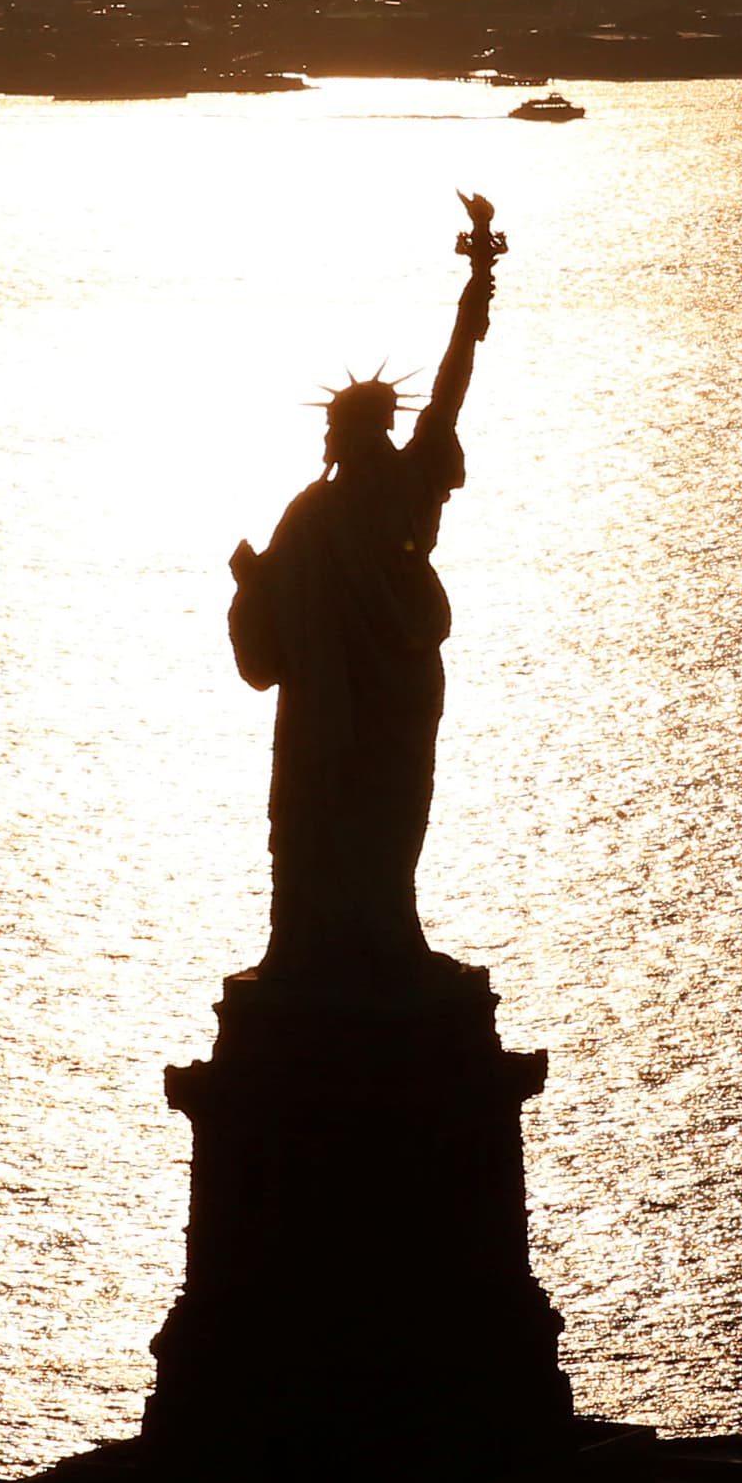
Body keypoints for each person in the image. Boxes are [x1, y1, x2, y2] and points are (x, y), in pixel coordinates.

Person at [227, 205, 500, 978]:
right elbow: (272, 627)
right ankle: (358, 936)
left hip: (354, 698)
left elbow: (264, 648)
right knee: (378, 807)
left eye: (334, 430)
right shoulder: (365, 497)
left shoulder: (328, 507)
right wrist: (256, 585)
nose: (326, 441)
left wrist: (474, 294)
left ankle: (350, 937)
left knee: (352, 809)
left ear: (351, 433)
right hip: (384, 689)